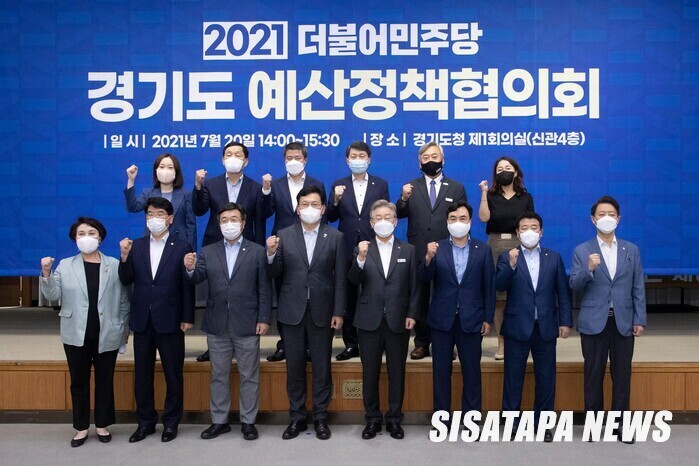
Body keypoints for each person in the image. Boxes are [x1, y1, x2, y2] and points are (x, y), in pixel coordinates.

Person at [184, 203, 271, 441]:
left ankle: (248, 422)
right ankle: (219, 421)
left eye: (234, 219)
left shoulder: (257, 251)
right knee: (218, 376)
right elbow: (198, 277)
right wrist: (190, 269)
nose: (229, 224)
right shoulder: (208, 251)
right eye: (224, 220)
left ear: (243, 223)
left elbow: (264, 287)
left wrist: (264, 318)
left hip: (248, 322)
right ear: (219, 224)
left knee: (249, 376)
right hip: (217, 323)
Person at [266, 185, 347, 440]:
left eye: (315, 204)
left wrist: (339, 311)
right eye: (304, 204)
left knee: (322, 367)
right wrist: (270, 255)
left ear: (323, 209)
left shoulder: (335, 237)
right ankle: (297, 418)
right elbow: (274, 273)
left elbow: (341, 278)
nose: (309, 209)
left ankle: (321, 418)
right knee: (294, 368)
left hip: (323, 311)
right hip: (292, 310)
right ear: (297, 209)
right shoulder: (283, 235)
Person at [40, 217, 130, 447]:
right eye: (81, 233)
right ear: (74, 239)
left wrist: (124, 330)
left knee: (104, 381)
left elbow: (124, 300)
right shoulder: (65, 265)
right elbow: (52, 296)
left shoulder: (114, 264)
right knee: (78, 382)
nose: (86, 237)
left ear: (100, 237)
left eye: (91, 233)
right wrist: (46, 273)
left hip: (107, 331)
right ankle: (81, 427)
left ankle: (102, 425)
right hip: (75, 333)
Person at [570, 196, 646, 444]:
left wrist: (640, 319)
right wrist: (588, 269)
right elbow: (574, 285)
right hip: (594, 322)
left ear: (618, 219)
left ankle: (620, 425)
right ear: (593, 219)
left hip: (623, 321)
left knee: (622, 376)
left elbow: (637, 286)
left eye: (611, 214)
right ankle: (593, 425)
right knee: (593, 375)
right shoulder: (582, 250)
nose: (607, 218)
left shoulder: (630, 250)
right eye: (601, 214)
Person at [118, 197, 195, 443]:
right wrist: (124, 257)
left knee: (173, 374)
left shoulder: (182, 246)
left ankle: (171, 423)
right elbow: (126, 279)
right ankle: (145, 422)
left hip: (171, 319)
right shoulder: (137, 245)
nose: (154, 218)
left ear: (170, 219)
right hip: (142, 320)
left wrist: (187, 316)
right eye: (150, 214)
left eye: (159, 214)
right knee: (142, 375)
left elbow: (187, 285)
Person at [495, 212, 572, 442]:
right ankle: (512, 423)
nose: (529, 231)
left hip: (545, 327)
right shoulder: (507, 256)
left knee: (546, 379)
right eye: (524, 228)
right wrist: (510, 265)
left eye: (534, 227)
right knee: (513, 378)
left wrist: (565, 321)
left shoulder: (553, 258)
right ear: (518, 233)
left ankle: (543, 424)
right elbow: (499, 285)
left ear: (541, 232)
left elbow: (563, 292)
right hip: (517, 326)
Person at [348, 200, 419, 440]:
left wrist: (412, 314)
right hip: (369, 320)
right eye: (378, 218)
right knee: (370, 373)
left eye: (387, 217)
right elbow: (353, 280)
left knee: (397, 373)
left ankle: (395, 420)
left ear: (395, 222)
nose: (383, 221)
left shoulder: (408, 250)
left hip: (398, 320)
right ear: (371, 223)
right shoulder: (362, 249)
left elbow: (415, 287)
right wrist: (360, 258)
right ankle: (372, 420)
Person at [419, 202, 494, 417]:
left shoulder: (483, 250)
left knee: (472, 373)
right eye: (453, 219)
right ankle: (441, 419)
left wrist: (487, 318)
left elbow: (489, 286)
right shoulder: (437, 248)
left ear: (470, 221)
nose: (458, 223)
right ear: (447, 222)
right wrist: (428, 258)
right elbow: (423, 278)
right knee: (441, 373)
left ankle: (471, 419)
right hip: (442, 320)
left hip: (472, 319)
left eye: (462, 218)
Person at [192, 141, 266, 362]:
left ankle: (243, 338)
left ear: (246, 161)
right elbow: (199, 210)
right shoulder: (211, 184)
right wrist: (198, 187)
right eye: (228, 154)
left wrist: (259, 247)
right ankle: (215, 344)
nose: (233, 158)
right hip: (216, 246)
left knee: (244, 292)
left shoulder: (255, 187)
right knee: (217, 293)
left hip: (246, 247)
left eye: (238, 154)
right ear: (223, 159)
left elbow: (261, 217)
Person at [396, 141, 467, 359]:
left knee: (445, 299)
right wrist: (403, 199)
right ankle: (421, 343)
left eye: (434, 157)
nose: (430, 161)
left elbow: (463, 217)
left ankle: (445, 343)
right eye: (425, 158)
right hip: (418, 251)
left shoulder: (456, 187)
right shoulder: (411, 187)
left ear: (443, 160)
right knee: (420, 298)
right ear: (419, 163)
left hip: (448, 251)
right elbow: (398, 214)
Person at [262, 141, 327, 362]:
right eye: (289, 158)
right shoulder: (276, 184)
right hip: (284, 244)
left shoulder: (317, 184)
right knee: (285, 294)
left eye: (297, 157)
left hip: (311, 244)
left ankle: (308, 345)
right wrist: (266, 191)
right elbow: (265, 212)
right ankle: (285, 344)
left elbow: (323, 217)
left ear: (305, 159)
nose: (293, 161)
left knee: (310, 295)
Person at [326, 141, 390, 361]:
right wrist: (335, 200)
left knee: (374, 293)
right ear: (347, 160)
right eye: (353, 156)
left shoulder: (380, 184)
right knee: (349, 296)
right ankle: (351, 343)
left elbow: (385, 214)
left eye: (362, 156)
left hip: (374, 246)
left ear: (369, 159)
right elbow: (330, 217)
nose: (358, 160)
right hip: (346, 247)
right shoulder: (339, 184)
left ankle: (377, 341)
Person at [478, 156, 534, 360]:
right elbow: (483, 217)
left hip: (521, 244)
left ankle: (521, 341)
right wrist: (484, 193)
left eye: (508, 168)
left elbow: (531, 223)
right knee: (500, 298)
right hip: (496, 245)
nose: (504, 171)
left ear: (516, 172)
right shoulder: (491, 195)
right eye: (500, 169)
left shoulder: (525, 197)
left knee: (520, 294)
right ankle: (501, 343)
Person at [124, 153, 197, 250]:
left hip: (178, 245)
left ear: (176, 172)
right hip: (151, 242)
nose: (165, 171)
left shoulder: (186, 195)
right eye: (162, 167)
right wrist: (131, 180)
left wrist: (191, 251)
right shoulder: (148, 193)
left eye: (170, 167)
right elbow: (133, 207)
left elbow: (191, 226)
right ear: (156, 171)